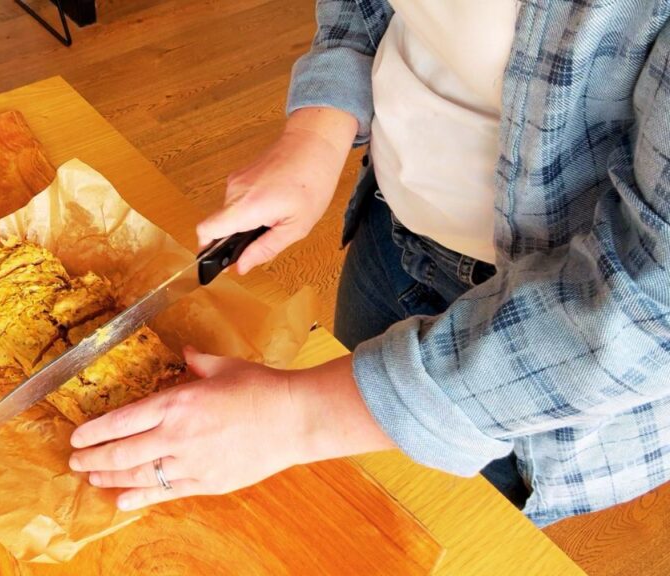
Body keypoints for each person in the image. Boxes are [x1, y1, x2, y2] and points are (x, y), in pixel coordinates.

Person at [67, 0, 670, 527]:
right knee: (346, 485)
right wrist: (318, 130)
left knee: (422, 530)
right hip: (390, 237)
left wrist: (297, 417)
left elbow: (650, 303)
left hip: (535, 353)